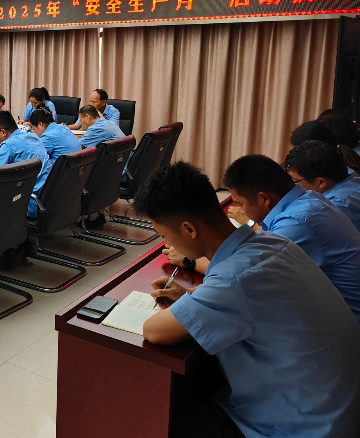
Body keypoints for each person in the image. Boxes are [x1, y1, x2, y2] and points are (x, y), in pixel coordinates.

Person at [134, 161, 360, 438]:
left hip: (305, 427)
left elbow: (155, 331)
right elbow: (254, 301)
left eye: (165, 235)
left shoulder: (232, 279)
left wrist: (192, 303)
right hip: (337, 406)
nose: (166, 241)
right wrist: (193, 296)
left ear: (189, 229)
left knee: (159, 411)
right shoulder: (273, 242)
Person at [222, 153, 360, 322]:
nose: (242, 211)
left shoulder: (294, 224)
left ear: (264, 198)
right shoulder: (311, 198)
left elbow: (246, 281)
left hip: (348, 322)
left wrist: (194, 262)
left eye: (241, 203)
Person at [0, 111, 50, 268]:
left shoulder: (9, 145)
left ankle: (9, 250)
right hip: (47, 197)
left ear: (3, 132)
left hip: (29, 202)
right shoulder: (33, 137)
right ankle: (24, 245)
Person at [284, 140, 360, 231]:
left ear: (321, 182)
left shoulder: (333, 206)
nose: (293, 186)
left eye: (295, 181)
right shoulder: (354, 179)